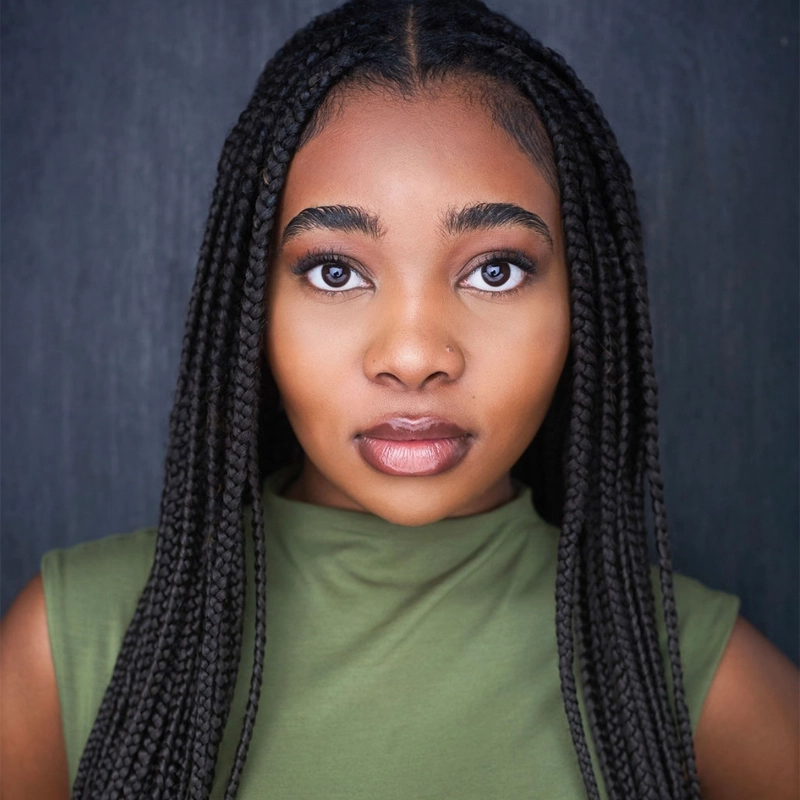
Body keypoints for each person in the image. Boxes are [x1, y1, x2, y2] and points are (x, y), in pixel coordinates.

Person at [1, 0, 797, 798]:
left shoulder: (689, 675)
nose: (414, 357)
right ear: (248, 306)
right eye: (335, 271)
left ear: (584, 300)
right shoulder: (69, 648)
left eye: (496, 270)